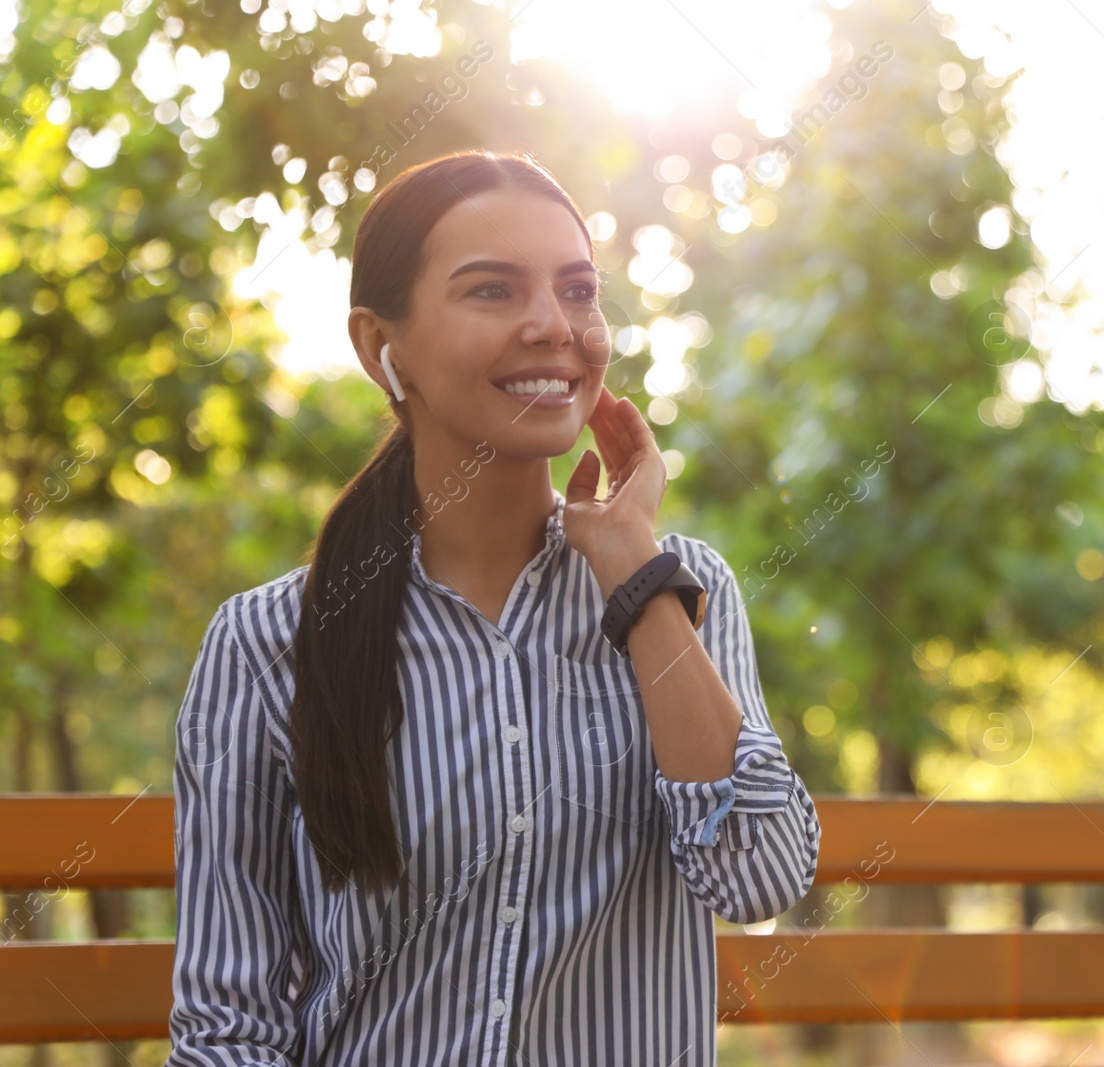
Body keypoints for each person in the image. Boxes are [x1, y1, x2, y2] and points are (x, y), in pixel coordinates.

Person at [167, 149, 822, 1066]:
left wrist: (638, 582)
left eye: (578, 290)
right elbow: (229, 1029)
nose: (554, 326)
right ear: (378, 346)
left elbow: (758, 877)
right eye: (491, 291)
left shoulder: (683, 589)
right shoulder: (266, 643)